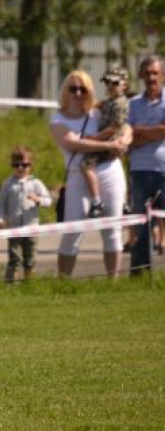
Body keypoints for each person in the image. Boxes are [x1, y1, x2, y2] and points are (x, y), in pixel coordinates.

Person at [50, 70, 131, 278]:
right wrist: (108, 144)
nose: (78, 93)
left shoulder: (99, 111)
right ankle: (63, 283)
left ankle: (113, 283)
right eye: (73, 89)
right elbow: (72, 143)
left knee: (112, 231)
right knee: (72, 232)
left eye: (82, 89)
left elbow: (125, 126)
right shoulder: (58, 118)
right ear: (65, 91)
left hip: (109, 171)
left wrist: (123, 141)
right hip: (78, 175)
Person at [127, 55, 165, 275]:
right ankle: (139, 274)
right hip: (139, 171)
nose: (151, 77)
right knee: (141, 226)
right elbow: (127, 136)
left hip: (164, 171)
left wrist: (139, 130)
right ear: (141, 75)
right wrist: (157, 131)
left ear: (162, 75)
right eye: (148, 73)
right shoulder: (132, 104)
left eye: (155, 73)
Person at [0, 147, 52, 283]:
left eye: (24, 165)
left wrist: (38, 200)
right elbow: (1, 204)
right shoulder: (8, 184)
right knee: (15, 257)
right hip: (14, 227)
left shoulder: (35, 182)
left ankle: (28, 283)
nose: (20, 168)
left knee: (30, 258)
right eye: (16, 165)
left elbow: (48, 200)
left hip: (31, 226)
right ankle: (11, 283)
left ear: (30, 165)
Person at [82, 64, 130, 218]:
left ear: (124, 84)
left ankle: (96, 201)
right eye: (107, 82)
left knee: (85, 165)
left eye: (115, 83)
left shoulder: (120, 103)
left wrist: (94, 140)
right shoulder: (111, 100)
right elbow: (101, 105)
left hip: (110, 141)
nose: (110, 86)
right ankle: (123, 201)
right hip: (107, 140)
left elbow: (113, 128)